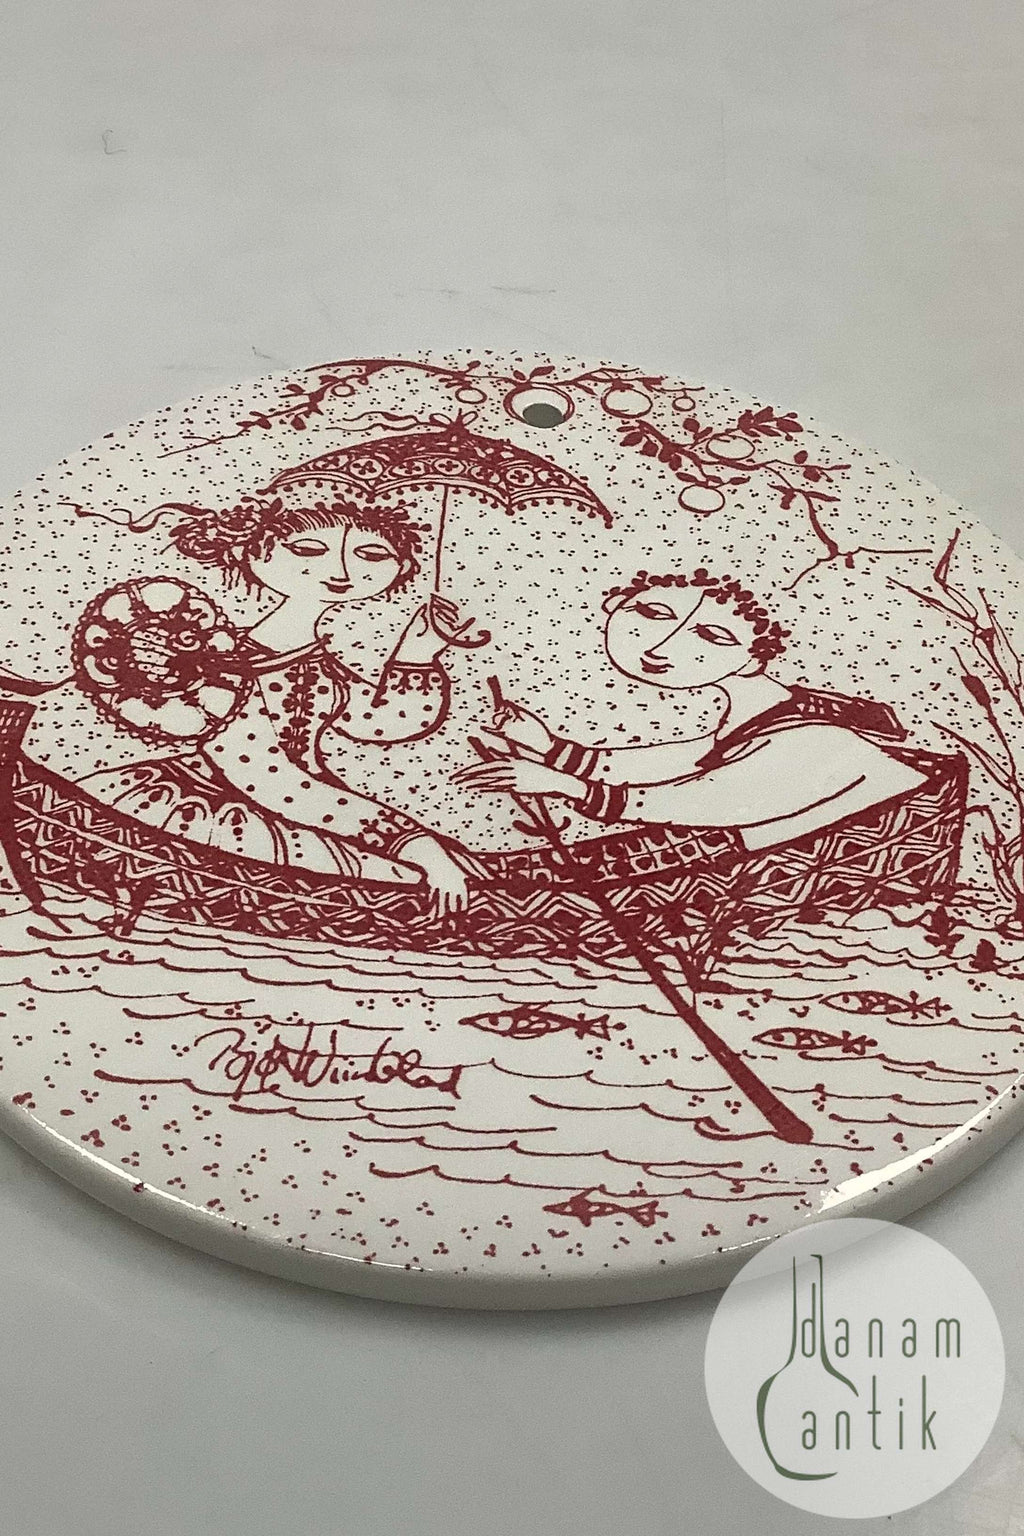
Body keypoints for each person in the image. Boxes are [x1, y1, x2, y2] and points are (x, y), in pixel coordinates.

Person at [62, 493, 483, 912]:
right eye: (307, 550)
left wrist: (417, 654)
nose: (341, 571)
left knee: (460, 869)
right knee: (400, 873)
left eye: (372, 555)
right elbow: (268, 778)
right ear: (250, 553)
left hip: (304, 802)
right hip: (223, 805)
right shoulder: (222, 669)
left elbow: (377, 720)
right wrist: (410, 841)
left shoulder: (315, 663)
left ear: (401, 567)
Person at [454, 568, 926, 850]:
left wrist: (565, 784)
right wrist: (550, 748)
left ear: (753, 659)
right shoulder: (760, 716)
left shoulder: (817, 737)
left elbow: (708, 799)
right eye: (652, 614)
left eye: (712, 636)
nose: (661, 646)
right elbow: (688, 758)